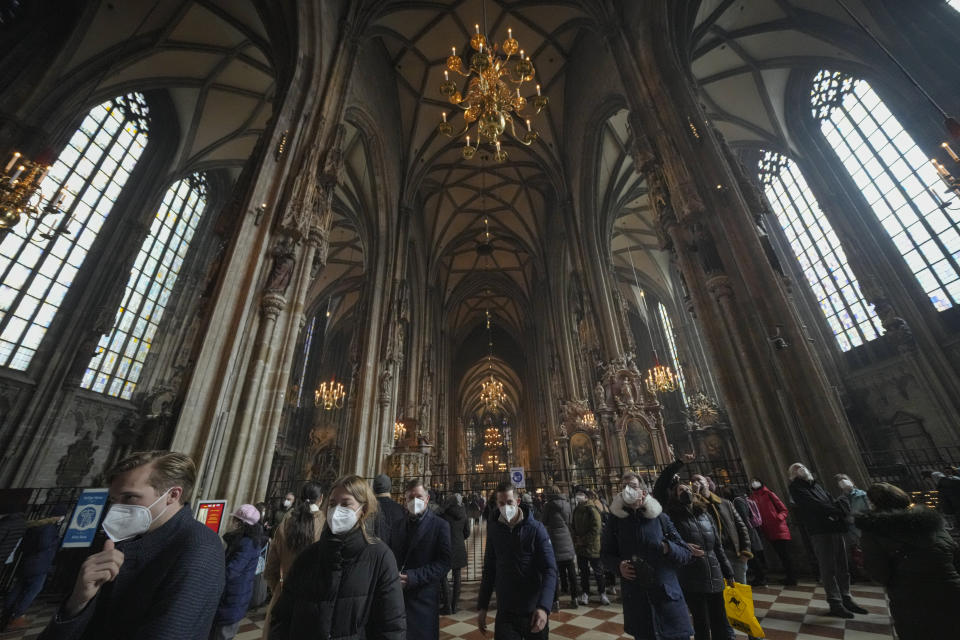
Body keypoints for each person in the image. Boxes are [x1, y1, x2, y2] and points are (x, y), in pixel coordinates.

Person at [38, 450, 225, 640]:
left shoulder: (199, 546)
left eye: (129, 497)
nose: (116, 509)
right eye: (113, 500)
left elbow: (172, 631)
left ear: (173, 495)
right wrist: (78, 601)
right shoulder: (121, 540)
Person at [268, 475, 405, 640]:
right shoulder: (308, 556)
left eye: (346, 504)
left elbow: (391, 627)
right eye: (332, 504)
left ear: (363, 509)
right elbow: (283, 616)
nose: (337, 510)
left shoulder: (380, 557)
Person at [856, 482, 960, 640]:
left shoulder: (874, 531)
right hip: (951, 591)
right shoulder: (930, 521)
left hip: (911, 599)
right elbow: (954, 553)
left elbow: (879, 573)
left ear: (873, 504)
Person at [602, 473, 693, 640]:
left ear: (643, 491)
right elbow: (605, 555)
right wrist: (618, 567)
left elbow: (686, 553)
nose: (628, 490)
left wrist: (667, 548)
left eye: (633, 486)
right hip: (637, 599)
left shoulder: (660, 518)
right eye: (624, 487)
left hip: (667, 598)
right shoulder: (615, 521)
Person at [477, 481, 557, 640]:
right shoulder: (494, 530)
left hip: (533, 608)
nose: (505, 507)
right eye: (501, 503)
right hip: (506, 610)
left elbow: (550, 569)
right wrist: (482, 606)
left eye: (509, 502)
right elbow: (489, 569)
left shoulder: (536, 529)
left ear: (518, 501)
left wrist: (544, 607)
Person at [787, 463, 866, 618]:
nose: (800, 469)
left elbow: (830, 499)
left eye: (801, 466)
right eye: (796, 469)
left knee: (842, 564)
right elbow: (813, 504)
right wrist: (836, 512)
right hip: (820, 530)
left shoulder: (816, 485)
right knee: (828, 566)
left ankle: (846, 597)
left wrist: (838, 511)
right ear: (793, 475)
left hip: (835, 527)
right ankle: (835, 602)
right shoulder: (796, 488)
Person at [665, 481, 734, 640]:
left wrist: (728, 571)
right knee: (701, 621)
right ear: (675, 495)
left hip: (714, 571)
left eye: (687, 489)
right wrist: (683, 546)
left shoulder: (705, 514)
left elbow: (718, 547)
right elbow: (668, 543)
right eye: (681, 490)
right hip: (691, 574)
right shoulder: (671, 517)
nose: (685, 492)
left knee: (720, 619)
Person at [389, 478, 451, 640]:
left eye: (419, 497)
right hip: (397, 598)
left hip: (423, 598)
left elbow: (444, 563)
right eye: (410, 497)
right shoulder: (397, 526)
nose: (415, 501)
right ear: (405, 499)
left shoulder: (440, 525)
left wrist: (413, 577)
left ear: (427, 498)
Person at [263, 482, 324, 633]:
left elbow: (271, 568)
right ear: (321, 499)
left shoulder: (285, 523)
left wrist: (278, 588)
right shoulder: (326, 524)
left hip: (284, 593)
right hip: (313, 599)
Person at [0, 505, 67, 631]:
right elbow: (44, 544)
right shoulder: (49, 528)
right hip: (39, 565)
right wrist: (58, 541)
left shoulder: (36, 526)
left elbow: (25, 544)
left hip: (27, 562)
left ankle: (7, 612)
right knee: (33, 590)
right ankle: (16, 616)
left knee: (19, 588)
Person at [210, 504, 268, 640]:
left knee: (222, 635)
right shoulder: (242, 539)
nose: (233, 523)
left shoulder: (247, 543)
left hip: (233, 598)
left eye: (235, 520)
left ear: (242, 524)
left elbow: (232, 571)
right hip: (231, 597)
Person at [694, 476, 751, 585]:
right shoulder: (694, 506)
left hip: (733, 552)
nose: (696, 483)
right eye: (693, 481)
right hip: (713, 556)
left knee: (740, 592)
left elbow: (741, 526)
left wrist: (746, 551)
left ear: (707, 483)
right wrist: (695, 496)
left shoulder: (725, 503)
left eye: (699, 480)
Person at [748, 477, 795, 585]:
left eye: (755, 481)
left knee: (785, 554)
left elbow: (783, 509)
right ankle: (788, 576)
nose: (754, 483)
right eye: (751, 482)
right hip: (767, 530)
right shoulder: (752, 497)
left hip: (779, 528)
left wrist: (778, 518)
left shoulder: (769, 494)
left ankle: (792, 578)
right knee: (780, 554)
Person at [540, 487, 579, 611]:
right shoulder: (567, 504)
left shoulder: (548, 506)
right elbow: (569, 520)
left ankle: (555, 601)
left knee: (554, 573)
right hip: (566, 538)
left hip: (554, 540)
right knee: (571, 571)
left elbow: (544, 521)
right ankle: (575, 598)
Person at [723, 486, 766, 587]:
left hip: (748, 531)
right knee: (753, 556)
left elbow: (743, 518)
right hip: (748, 531)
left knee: (753, 557)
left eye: (727, 490)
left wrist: (744, 533)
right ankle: (760, 576)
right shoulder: (739, 499)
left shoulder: (737, 501)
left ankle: (761, 578)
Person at [572, 488, 608, 605]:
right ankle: (585, 593)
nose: (579, 497)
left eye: (581, 495)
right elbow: (572, 525)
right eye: (578, 495)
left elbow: (596, 528)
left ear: (587, 497)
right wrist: (576, 538)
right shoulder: (577, 509)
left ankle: (602, 593)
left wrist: (584, 540)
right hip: (580, 547)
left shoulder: (592, 509)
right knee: (584, 572)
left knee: (598, 571)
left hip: (593, 546)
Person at [437, 493, 470, 614]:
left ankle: (447, 606)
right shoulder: (464, 514)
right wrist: (460, 538)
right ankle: (455, 605)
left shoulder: (444, 513)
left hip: (445, 547)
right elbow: (467, 532)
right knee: (457, 577)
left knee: (443, 576)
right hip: (459, 547)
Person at [372, 474, 405, 551]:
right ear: (390, 488)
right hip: (394, 554)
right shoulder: (400, 509)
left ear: (373, 488)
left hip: (373, 553)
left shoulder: (368, 508)